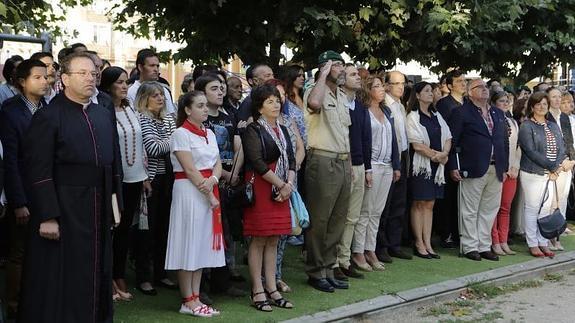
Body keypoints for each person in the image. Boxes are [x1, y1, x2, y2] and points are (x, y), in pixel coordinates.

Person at [18, 52, 123, 323]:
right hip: (64, 209)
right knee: (65, 276)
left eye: (94, 74)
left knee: (97, 271)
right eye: (83, 73)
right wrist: (48, 215)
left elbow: (112, 165)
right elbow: (37, 170)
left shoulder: (102, 113)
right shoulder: (49, 117)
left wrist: (114, 205)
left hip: (98, 208)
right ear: (64, 79)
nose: (91, 78)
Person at [165, 90, 224, 317]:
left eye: (204, 105)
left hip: (208, 186)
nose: (205, 109)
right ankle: (187, 299)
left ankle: (196, 296)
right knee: (188, 242)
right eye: (199, 105)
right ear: (187, 110)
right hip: (189, 192)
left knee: (200, 244)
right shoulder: (181, 133)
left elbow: (217, 162)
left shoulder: (209, 133)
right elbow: (189, 169)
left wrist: (214, 180)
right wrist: (209, 193)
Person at [0, 59, 48, 319]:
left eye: (46, 77)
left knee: (41, 251)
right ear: (22, 81)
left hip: (46, 191)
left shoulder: (49, 107)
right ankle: (15, 307)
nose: (44, 82)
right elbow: (10, 159)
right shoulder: (10, 110)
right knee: (19, 252)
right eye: (38, 77)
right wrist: (18, 201)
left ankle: (36, 302)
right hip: (23, 191)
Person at [99, 66, 151, 301]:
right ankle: (107, 277)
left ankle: (119, 274)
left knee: (125, 231)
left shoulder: (131, 109)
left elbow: (139, 145)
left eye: (126, 83)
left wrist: (145, 176)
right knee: (111, 228)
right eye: (119, 82)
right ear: (108, 85)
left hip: (135, 177)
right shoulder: (103, 110)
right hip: (115, 180)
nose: (124, 86)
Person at [242, 84, 295, 311]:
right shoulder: (253, 129)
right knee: (259, 239)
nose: (276, 104)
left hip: (282, 188)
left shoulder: (282, 129)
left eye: (277, 100)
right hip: (263, 188)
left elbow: (292, 159)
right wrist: (282, 185)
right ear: (259, 107)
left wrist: (289, 185)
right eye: (270, 101)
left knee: (274, 239)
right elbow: (257, 162)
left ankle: (272, 288)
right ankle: (257, 290)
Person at [194, 74, 247, 298]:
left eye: (221, 87)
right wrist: (224, 174)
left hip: (229, 182)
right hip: (208, 182)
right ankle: (201, 286)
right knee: (206, 234)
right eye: (214, 88)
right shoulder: (201, 119)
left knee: (224, 233)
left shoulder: (229, 115)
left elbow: (238, 145)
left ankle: (221, 283)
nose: (220, 91)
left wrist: (234, 173)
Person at [304, 50, 351, 292]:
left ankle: (329, 267)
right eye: (337, 65)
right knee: (320, 219)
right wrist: (322, 76)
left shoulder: (341, 95)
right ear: (324, 67)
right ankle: (315, 270)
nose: (342, 70)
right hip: (322, 160)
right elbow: (314, 104)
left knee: (338, 219)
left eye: (343, 65)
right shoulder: (314, 89)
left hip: (343, 160)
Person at [448, 79, 508, 262]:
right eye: (479, 87)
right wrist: (454, 166)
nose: (484, 90)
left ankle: (484, 245)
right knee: (470, 210)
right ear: (469, 92)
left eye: (485, 87)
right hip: (472, 167)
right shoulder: (461, 112)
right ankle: (469, 246)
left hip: (495, 168)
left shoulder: (497, 113)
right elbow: (453, 141)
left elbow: (503, 141)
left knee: (489, 210)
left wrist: (504, 167)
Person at [351, 75, 398, 272]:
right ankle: (358, 251)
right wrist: (367, 168)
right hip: (372, 166)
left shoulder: (386, 110)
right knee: (365, 211)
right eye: (377, 86)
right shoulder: (363, 112)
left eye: (382, 86)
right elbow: (362, 140)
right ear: (368, 90)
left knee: (377, 212)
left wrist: (396, 165)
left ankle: (371, 249)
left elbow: (394, 139)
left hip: (387, 166)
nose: (382, 89)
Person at [263, 78, 305, 293]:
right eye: (273, 96)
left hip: (289, 180)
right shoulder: (258, 122)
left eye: (281, 95)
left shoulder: (288, 120)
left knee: (282, 234)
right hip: (268, 183)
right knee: (265, 235)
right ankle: (263, 280)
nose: (278, 100)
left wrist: (291, 172)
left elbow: (300, 148)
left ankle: (276, 276)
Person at [135, 81, 177, 295]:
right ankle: (144, 277)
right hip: (151, 180)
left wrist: (170, 140)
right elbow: (153, 148)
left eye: (161, 95)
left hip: (169, 179)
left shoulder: (168, 119)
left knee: (164, 229)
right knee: (147, 231)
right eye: (155, 95)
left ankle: (161, 274)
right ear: (144, 98)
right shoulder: (142, 118)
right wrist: (175, 139)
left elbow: (165, 146)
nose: (160, 98)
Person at [518, 92, 572, 258]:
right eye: (538, 104)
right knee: (532, 208)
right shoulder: (527, 126)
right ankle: (532, 243)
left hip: (552, 173)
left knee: (547, 209)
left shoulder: (553, 125)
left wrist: (556, 167)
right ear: (532, 106)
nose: (542, 107)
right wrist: (552, 166)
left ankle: (543, 241)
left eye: (544, 104)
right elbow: (530, 150)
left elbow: (561, 147)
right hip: (533, 172)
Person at [406, 82, 452, 259]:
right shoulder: (413, 117)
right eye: (426, 91)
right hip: (422, 166)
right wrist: (436, 155)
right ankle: (419, 242)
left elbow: (448, 136)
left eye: (431, 91)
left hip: (436, 165)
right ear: (417, 95)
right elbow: (417, 144)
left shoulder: (436, 115)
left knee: (430, 204)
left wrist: (444, 153)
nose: (431, 94)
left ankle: (427, 241)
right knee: (419, 203)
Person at [335, 65, 373, 277]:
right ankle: (333, 261)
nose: (358, 78)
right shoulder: (336, 103)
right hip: (341, 163)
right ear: (342, 79)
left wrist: (367, 168)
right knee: (338, 216)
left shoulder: (360, 106)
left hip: (359, 166)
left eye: (357, 75)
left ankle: (344, 259)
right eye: (352, 75)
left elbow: (366, 139)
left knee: (352, 217)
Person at [375, 71, 412, 262]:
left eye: (403, 83)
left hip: (403, 156)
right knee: (385, 206)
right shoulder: (385, 106)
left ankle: (394, 244)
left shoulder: (400, 105)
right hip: (388, 159)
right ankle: (380, 247)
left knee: (399, 204)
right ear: (387, 85)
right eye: (396, 83)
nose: (401, 87)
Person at [435, 69, 466, 249]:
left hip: (466, 157)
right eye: (459, 81)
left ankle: (458, 232)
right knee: (448, 199)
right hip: (450, 156)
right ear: (449, 85)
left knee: (461, 199)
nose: (463, 84)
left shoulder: (468, 103)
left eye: (464, 81)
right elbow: (445, 134)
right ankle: (446, 234)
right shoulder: (444, 105)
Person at [490, 91, 521, 256]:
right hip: (497, 171)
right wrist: (502, 168)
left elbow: (518, 147)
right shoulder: (491, 121)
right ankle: (494, 241)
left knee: (505, 207)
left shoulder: (513, 122)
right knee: (493, 207)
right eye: (501, 101)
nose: (505, 104)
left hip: (511, 172)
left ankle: (503, 240)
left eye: (507, 101)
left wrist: (515, 165)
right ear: (494, 104)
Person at [545, 87, 575, 250]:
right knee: (550, 202)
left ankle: (556, 235)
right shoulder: (545, 117)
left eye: (559, 97)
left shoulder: (564, 117)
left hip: (567, 165)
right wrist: (559, 162)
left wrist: (572, 160)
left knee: (561, 200)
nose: (557, 100)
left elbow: (569, 142)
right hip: (552, 165)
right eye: (554, 97)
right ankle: (547, 237)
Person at [127, 49, 176, 114]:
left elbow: (171, 115)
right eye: (152, 66)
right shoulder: (130, 92)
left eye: (157, 66)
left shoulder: (164, 90)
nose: (156, 69)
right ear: (140, 67)